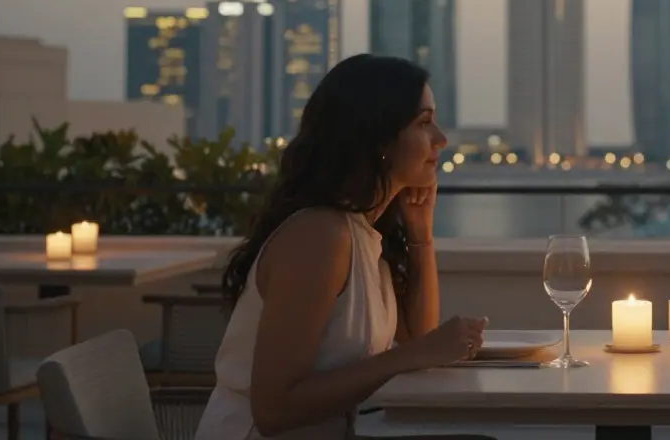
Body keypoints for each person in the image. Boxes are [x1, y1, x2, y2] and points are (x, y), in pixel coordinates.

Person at [194, 54, 496, 440]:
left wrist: (421, 233)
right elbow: (273, 409)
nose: (441, 138)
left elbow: (420, 339)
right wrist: (408, 357)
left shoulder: (362, 234)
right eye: (424, 123)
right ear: (378, 138)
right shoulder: (320, 237)